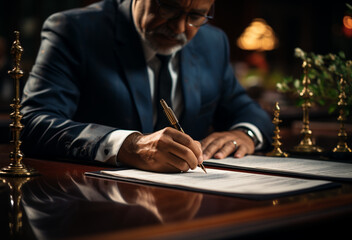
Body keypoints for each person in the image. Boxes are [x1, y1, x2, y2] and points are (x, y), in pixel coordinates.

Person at [21, 0, 273, 173]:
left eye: (195, 16)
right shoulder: (74, 30)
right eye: (168, 8)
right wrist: (128, 146)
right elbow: (32, 122)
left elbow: (250, 113)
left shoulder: (213, 42)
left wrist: (244, 134)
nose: (179, 28)